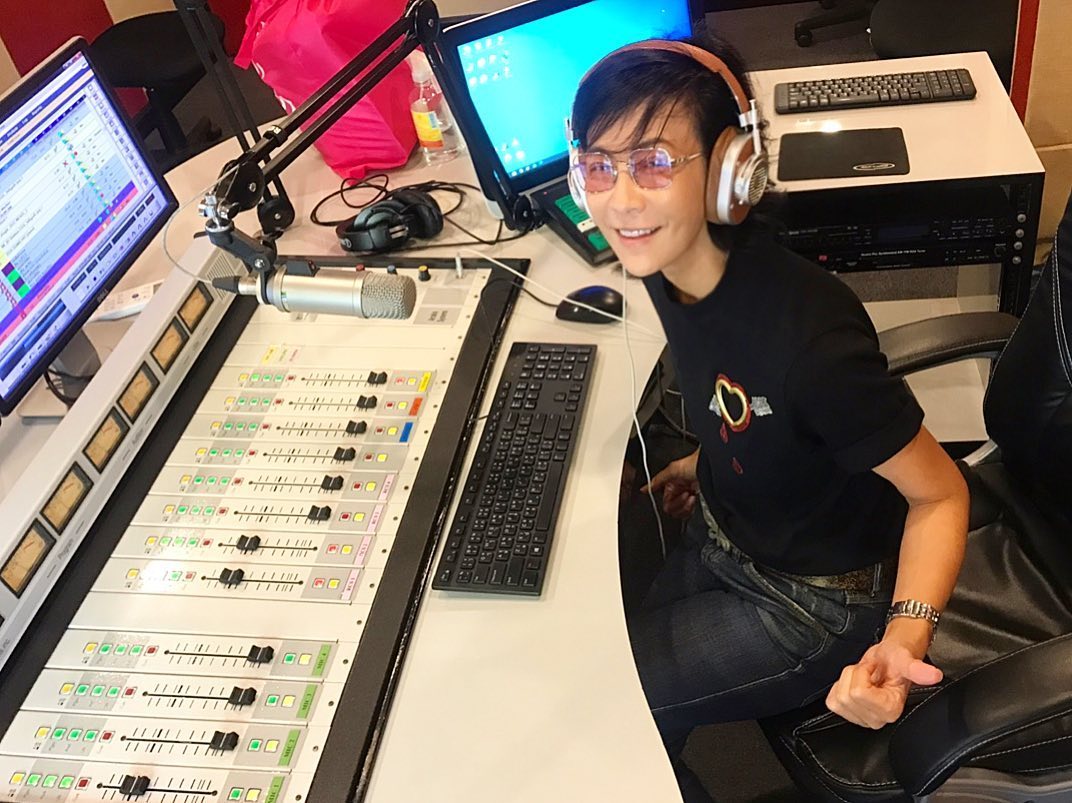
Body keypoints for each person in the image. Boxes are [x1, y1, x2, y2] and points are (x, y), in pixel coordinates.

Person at [568, 35, 970, 802]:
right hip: (729, 527)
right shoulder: (663, 266)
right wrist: (714, 457)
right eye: (599, 165)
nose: (620, 200)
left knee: (608, 703)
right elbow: (744, 398)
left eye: (654, 163)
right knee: (608, 680)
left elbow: (942, 494)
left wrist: (904, 635)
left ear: (731, 168)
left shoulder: (811, 346)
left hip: (814, 600)